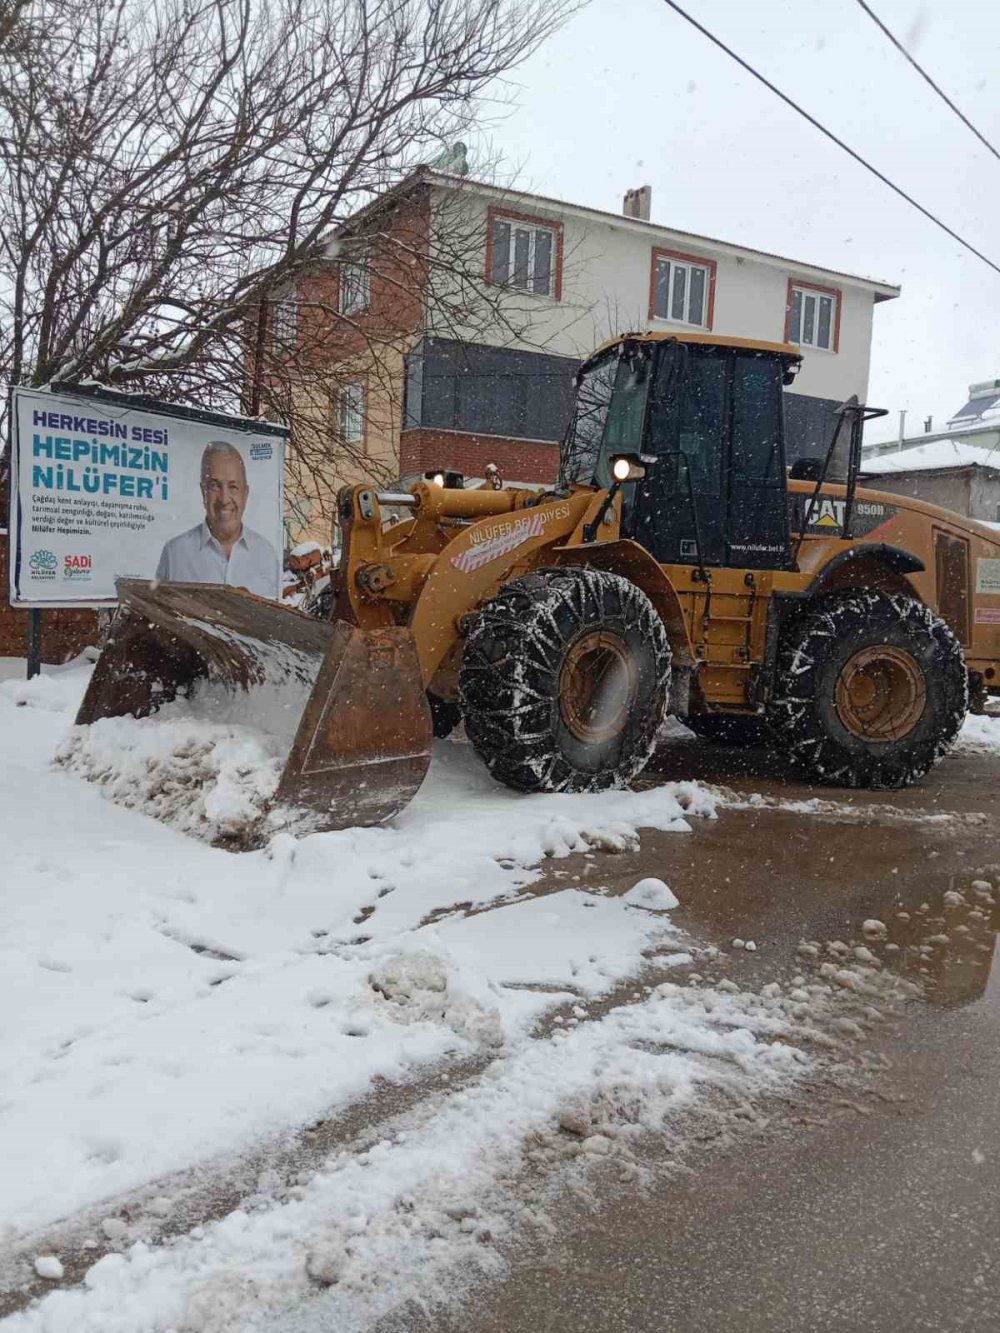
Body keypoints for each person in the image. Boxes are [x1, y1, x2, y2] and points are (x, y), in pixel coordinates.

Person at [155, 441, 279, 597]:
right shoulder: (175, 553)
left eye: (233, 487)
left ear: (245, 494)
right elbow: (158, 614)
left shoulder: (266, 555)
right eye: (215, 486)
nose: (224, 499)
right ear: (203, 491)